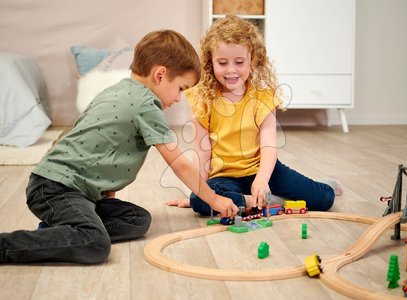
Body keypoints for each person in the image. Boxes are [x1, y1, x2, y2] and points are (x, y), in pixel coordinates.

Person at [0, 30, 238, 265]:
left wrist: (105, 194)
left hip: (67, 188)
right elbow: (179, 164)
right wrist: (214, 200)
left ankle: (65, 231)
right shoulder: (146, 105)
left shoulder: (115, 90)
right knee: (95, 244)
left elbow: (97, 143)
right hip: (56, 188)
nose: (178, 98)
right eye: (181, 89)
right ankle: (9, 246)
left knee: (138, 219)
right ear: (160, 75)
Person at [167, 15, 343, 216]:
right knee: (198, 201)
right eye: (222, 62)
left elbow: (269, 146)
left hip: (264, 171)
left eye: (239, 62)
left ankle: (313, 187)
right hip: (224, 177)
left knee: (325, 200)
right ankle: (261, 200)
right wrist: (199, 192)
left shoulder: (262, 98)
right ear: (210, 62)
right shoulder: (202, 98)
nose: (231, 70)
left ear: (253, 60)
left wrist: (262, 179)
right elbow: (201, 151)